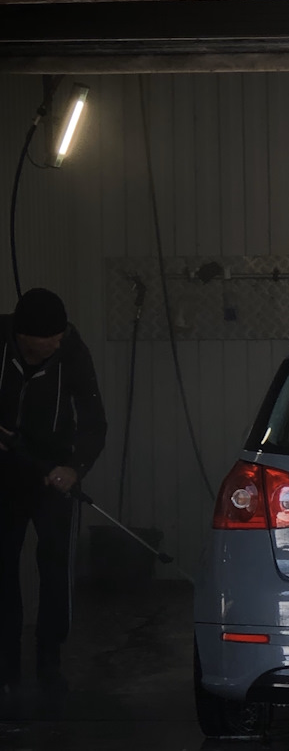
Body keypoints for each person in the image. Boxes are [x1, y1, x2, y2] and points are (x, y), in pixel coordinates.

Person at [0, 288, 107, 697]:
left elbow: (95, 419)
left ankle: (49, 661)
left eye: (61, 336)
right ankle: (6, 666)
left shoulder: (71, 350)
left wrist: (74, 468)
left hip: (54, 474)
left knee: (55, 566)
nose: (59, 342)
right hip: (4, 477)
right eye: (50, 338)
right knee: (3, 566)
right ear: (26, 337)